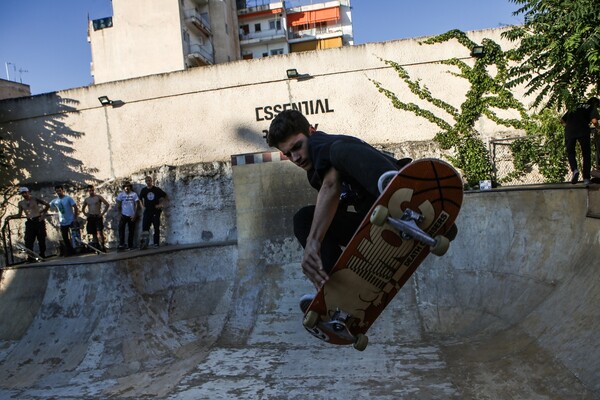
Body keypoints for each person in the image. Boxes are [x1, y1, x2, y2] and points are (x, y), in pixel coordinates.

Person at [266, 109, 410, 293]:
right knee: (305, 219)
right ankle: (339, 287)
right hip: (378, 222)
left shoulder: (320, 142)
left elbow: (331, 185)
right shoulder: (316, 174)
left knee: (337, 151)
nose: (296, 158)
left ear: (310, 131)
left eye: (297, 147)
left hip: (402, 198)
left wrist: (313, 242)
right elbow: (330, 195)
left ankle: (400, 195)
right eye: (288, 154)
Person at [561, 97, 600, 185]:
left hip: (569, 131)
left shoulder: (575, 106)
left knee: (571, 152)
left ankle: (575, 170)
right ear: (595, 104)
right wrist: (598, 128)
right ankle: (586, 178)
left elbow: (562, 120)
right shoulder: (591, 107)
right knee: (586, 154)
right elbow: (594, 120)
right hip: (583, 131)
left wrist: (571, 126)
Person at [7, 187, 50, 260]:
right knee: (28, 240)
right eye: (22, 193)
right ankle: (30, 256)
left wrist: (42, 213)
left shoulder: (34, 199)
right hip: (30, 221)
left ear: (28, 192)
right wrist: (10, 216)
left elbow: (47, 205)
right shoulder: (21, 203)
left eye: (25, 192)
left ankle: (42, 254)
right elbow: (19, 214)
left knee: (41, 238)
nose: (24, 194)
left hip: (38, 220)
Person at [49, 185, 79, 256]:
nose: (59, 192)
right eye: (57, 191)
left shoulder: (68, 198)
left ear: (63, 190)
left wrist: (75, 218)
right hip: (63, 221)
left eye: (60, 190)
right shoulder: (55, 201)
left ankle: (77, 249)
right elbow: (48, 205)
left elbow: (75, 207)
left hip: (71, 219)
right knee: (65, 237)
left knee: (74, 236)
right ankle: (69, 250)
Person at [139, 176, 168, 247]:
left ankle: (156, 243)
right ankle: (144, 244)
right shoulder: (143, 190)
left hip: (155, 211)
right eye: (147, 181)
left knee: (156, 227)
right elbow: (140, 199)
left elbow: (166, 196)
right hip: (147, 211)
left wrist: (160, 205)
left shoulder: (156, 189)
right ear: (145, 182)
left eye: (149, 180)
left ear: (151, 181)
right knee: (145, 228)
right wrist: (142, 206)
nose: (148, 182)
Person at [82, 184, 110, 251]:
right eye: (89, 191)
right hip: (91, 217)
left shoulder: (98, 197)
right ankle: (97, 248)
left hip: (97, 216)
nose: (91, 192)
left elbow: (107, 204)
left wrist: (102, 213)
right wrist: (86, 214)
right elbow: (83, 209)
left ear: (93, 190)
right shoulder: (87, 199)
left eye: (92, 190)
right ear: (88, 191)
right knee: (93, 233)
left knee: (99, 232)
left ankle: (102, 246)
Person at [116, 182, 140, 250]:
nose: (127, 187)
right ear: (123, 187)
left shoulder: (134, 194)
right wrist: (119, 214)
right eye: (125, 186)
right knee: (121, 229)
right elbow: (118, 205)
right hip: (123, 215)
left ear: (130, 187)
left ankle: (130, 245)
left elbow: (137, 204)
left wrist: (135, 214)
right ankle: (122, 244)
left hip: (132, 215)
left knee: (131, 231)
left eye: (128, 186)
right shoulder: (121, 194)